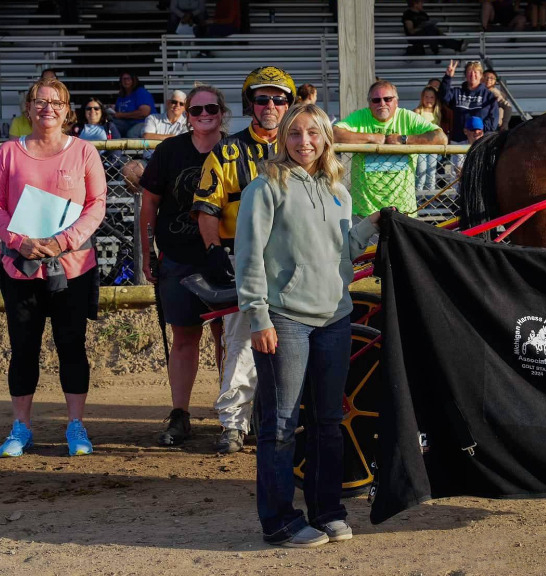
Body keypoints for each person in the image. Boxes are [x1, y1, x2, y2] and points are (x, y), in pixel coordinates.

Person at [234, 103, 380, 548]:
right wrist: (258, 315)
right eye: (295, 134)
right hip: (286, 320)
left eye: (313, 133)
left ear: (325, 138)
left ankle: (327, 510)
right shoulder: (266, 186)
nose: (304, 142)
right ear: (283, 139)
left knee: (328, 421)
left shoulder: (339, 189)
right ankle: (279, 521)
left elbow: (343, 250)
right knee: (279, 425)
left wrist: (372, 225)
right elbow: (248, 256)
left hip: (334, 317)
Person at [0, 77, 107, 458]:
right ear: (28, 108)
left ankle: (76, 426)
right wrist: (19, 241)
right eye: (41, 102)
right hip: (20, 268)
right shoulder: (8, 152)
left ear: (67, 110)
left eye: (57, 102)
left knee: (71, 345)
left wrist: (64, 240)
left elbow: (97, 204)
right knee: (23, 348)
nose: (49, 108)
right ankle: (21, 427)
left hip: (73, 267)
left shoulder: (83, 152)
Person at [192, 66, 295, 454]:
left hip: (294, 261)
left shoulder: (303, 146)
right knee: (241, 342)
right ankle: (233, 424)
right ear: (249, 103)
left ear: (289, 103)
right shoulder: (227, 151)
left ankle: (285, 420)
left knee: (294, 340)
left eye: (279, 99)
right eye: (262, 98)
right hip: (244, 257)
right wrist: (214, 249)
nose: (271, 105)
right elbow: (206, 208)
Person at [139, 85, 229, 446]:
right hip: (178, 257)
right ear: (186, 115)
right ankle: (180, 413)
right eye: (196, 110)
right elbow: (149, 205)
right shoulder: (170, 150)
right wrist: (146, 253)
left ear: (222, 111)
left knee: (229, 338)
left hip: (226, 256)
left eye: (211, 108)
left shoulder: (234, 147)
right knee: (184, 338)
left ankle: (233, 414)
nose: (204, 114)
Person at [332, 80, 447, 217]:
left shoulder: (407, 117)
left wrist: (403, 139)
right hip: (365, 209)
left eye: (387, 99)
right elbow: (333, 134)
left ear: (396, 102)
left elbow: (441, 138)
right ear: (369, 103)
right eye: (376, 100)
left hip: (403, 209)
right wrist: (372, 138)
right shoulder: (361, 116)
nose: (382, 104)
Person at [439, 60, 499, 144]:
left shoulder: (488, 95)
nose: (472, 75)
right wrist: (448, 77)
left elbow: (493, 121)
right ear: (465, 75)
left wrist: (476, 130)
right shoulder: (457, 92)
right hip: (459, 141)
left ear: (481, 75)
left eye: (475, 72)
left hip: (481, 142)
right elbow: (444, 97)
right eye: (469, 72)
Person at [403, 0, 469, 56]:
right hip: (416, 37)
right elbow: (411, 31)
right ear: (415, 4)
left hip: (429, 35)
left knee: (436, 34)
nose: (422, 4)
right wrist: (422, 26)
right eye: (421, 3)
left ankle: (458, 45)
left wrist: (440, 33)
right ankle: (436, 51)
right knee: (430, 30)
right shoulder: (408, 14)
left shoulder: (423, 14)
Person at [413, 86, 443, 192]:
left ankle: (431, 199)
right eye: (426, 97)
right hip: (421, 147)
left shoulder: (437, 113)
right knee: (420, 172)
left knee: (431, 172)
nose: (429, 100)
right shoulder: (417, 111)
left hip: (433, 148)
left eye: (432, 97)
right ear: (422, 98)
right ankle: (418, 198)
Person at [111, 71, 155, 139]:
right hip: (126, 123)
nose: (126, 81)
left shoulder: (141, 92)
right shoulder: (122, 95)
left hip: (143, 123)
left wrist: (121, 115)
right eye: (123, 79)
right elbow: (118, 113)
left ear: (134, 80)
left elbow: (144, 113)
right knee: (110, 126)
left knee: (131, 133)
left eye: (128, 79)